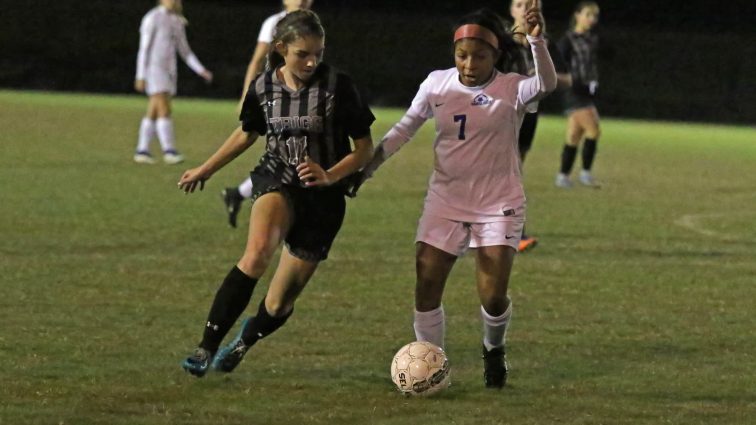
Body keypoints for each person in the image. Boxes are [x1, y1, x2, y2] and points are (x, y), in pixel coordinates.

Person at [359, 3, 556, 388]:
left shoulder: (513, 87)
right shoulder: (437, 84)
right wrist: (368, 168)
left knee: (492, 295)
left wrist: (536, 40)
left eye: (479, 56)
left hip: (498, 203)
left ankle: (493, 349)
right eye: (462, 55)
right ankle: (431, 370)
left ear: (496, 55)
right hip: (446, 200)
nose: (469, 64)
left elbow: (546, 84)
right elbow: (403, 129)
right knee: (427, 282)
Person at [177, 10, 375, 378]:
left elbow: (364, 147)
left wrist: (330, 175)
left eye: (318, 52)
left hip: (324, 199)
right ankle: (206, 347)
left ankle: (245, 340)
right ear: (282, 48)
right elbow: (247, 133)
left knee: (280, 301)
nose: (312, 61)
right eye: (303, 53)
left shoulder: (338, 85)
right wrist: (206, 168)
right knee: (256, 255)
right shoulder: (263, 86)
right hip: (277, 178)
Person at [221, 0, 315, 228]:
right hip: (275, 95)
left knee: (290, 154)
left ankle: (238, 194)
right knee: (292, 152)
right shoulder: (273, 23)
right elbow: (257, 60)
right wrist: (246, 94)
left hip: (300, 96)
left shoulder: (313, 24)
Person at [508, 0, 572, 252]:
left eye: (531, 4)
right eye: (520, 4)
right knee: (507, 174)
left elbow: (566, 78)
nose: (525, 9)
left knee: (512, 173)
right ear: (512, 10)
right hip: (501, 115)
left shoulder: (545, 42)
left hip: (530, 115)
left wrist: (545, 74)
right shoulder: (502, 42)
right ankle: (514, 233)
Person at [133, 0, 213, 165]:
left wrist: (200, 70)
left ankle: (142, 150)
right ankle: (169, 150)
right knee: (164, 108)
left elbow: (184, 50)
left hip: (169, 72)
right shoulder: (152, 17)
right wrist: (140, 75)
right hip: (154, 70)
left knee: (154, 110)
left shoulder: (177, 20)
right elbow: (144, 49)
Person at [555, 1, 601, 188]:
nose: (592, 19)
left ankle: (562, 176)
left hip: (586, 92)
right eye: (588, 15)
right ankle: (585, 174)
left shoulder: (592, 39)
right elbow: (556, 65)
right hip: (573, 92)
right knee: (594, 130)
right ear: (577, 15)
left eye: (595, 16)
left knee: (574, 135)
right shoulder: (567, 40)